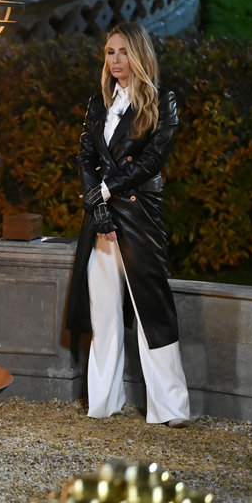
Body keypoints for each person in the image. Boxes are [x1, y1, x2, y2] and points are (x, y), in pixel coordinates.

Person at [66, 23, 191, 428]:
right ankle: (103, 401)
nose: (114, 60)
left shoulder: (162, 101)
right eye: (108, 52)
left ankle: (171, 409)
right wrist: (98, 206)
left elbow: (152, 161)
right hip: (100, 216)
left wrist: (102, 191)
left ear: (138, 54)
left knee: (151, 308)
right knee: (103, 312)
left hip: (139, 214)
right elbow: (85, 155)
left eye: (122, 52)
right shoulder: (99, 102)